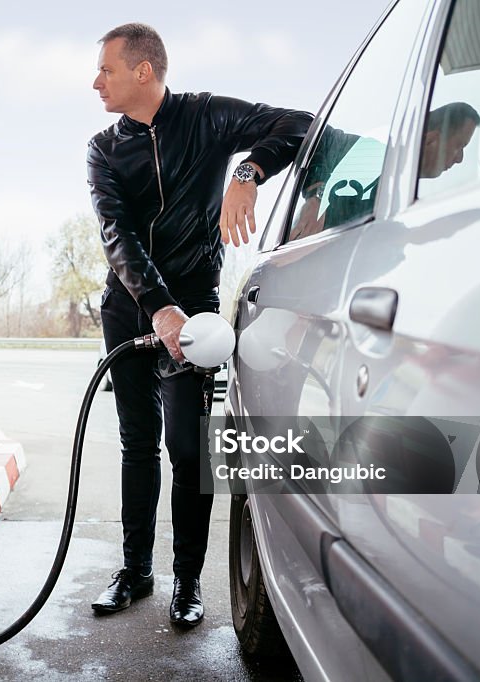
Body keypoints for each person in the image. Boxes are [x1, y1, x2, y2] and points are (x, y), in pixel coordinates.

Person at [86, 22, 312, 627]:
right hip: (130, 304)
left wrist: (247, 174)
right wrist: (156, 307)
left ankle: (189, 583)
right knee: (138, 443)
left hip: (197, 313)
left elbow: (298, 123)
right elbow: (117, 234)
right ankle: (136, 571)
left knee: (188, 450)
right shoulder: (103, 148)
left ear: (143, 70)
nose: (95, 82)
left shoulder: (208, 117)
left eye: (106, 69)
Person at [291, 101, 480, 240]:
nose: (460, 158)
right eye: (459, 145)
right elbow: (319, 135)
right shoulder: (373, 156)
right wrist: (317, 197)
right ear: (431, 139)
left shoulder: (400, 194)